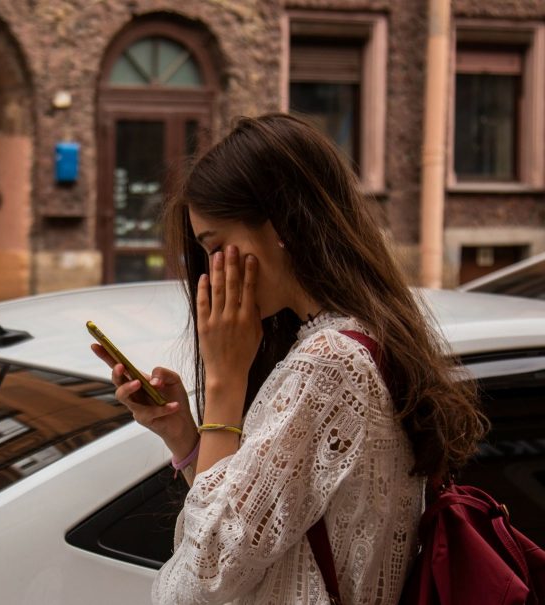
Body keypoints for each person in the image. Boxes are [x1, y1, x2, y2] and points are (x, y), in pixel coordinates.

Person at [91, 113, 488, 604]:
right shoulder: (358, 343)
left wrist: (224, 382)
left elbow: (203, 577)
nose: (213, 273)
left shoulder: (329, 365)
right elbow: (255, 526)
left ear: (280, 223)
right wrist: (185, 438)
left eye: (217, 246)